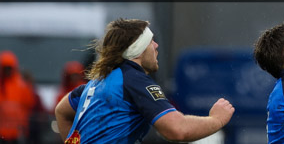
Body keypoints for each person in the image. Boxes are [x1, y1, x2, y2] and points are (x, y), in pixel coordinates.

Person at [54, 19, 234, 144]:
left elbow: (61, 110)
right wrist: (217, 120)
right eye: (150, 41)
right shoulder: (134, 80)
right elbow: (176, 130)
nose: (156, 46)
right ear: (137, 49)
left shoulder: (99, 81)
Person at [0, 51, 38, 144]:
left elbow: (29, 105)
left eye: (9, 68)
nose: (7, 71)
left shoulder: (22, 86)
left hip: (17, 132)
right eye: (5, 68)